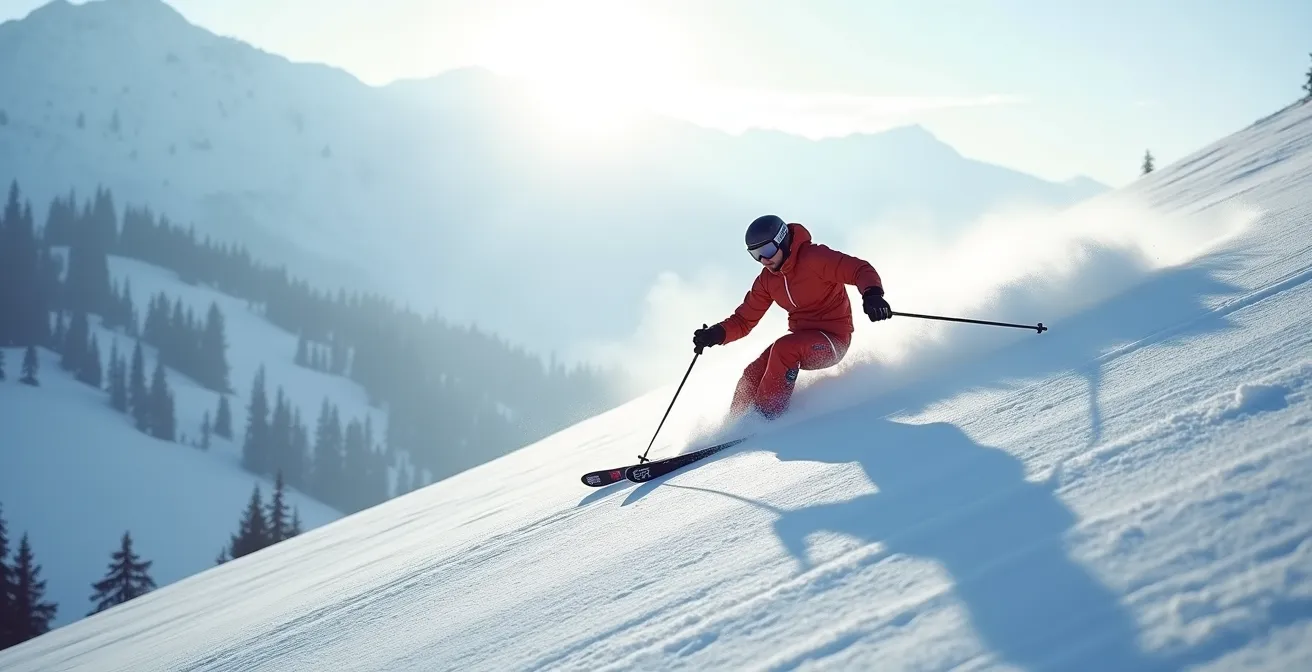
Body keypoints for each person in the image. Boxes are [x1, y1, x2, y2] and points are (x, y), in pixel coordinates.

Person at [692, 214, 891, 421]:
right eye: (756, 254)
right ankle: (734, 427)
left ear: (783, 240)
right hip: (803, 340)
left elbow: (859, 269)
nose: (764, 260)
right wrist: (716, 334)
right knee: (753, 371)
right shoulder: (767, 281)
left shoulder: (814, 258)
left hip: (833, 341)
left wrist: (872, 295)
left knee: (784, 349)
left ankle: (765, 419)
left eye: (767, 250)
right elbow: (744, 320)